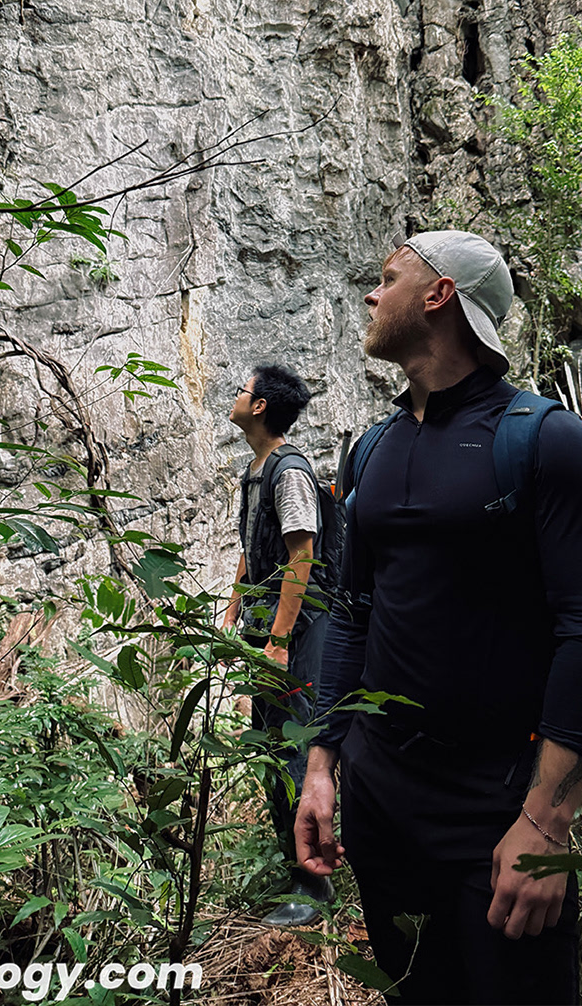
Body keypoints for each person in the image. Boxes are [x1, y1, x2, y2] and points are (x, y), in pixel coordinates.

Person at [294, 232, 582, 1004]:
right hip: (381, 802)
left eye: (388, 278)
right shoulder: (370, 451)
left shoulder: (549, 443)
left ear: (439, 295)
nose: (372, 295)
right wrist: (321, 768)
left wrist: (546, 824)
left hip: (497, 807)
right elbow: (352, 612)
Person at [219, 363, 333, 927]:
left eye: (242, 390)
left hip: (297, 629)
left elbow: (301, 555)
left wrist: (280, 641)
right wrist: (234, 608)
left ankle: (314, 885)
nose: (236, 396)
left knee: (294, 747)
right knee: (269, 743)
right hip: (265, 627)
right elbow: (253, 545)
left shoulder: (289, 472)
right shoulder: (256, 471)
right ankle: (293, 866)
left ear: (260, 406)